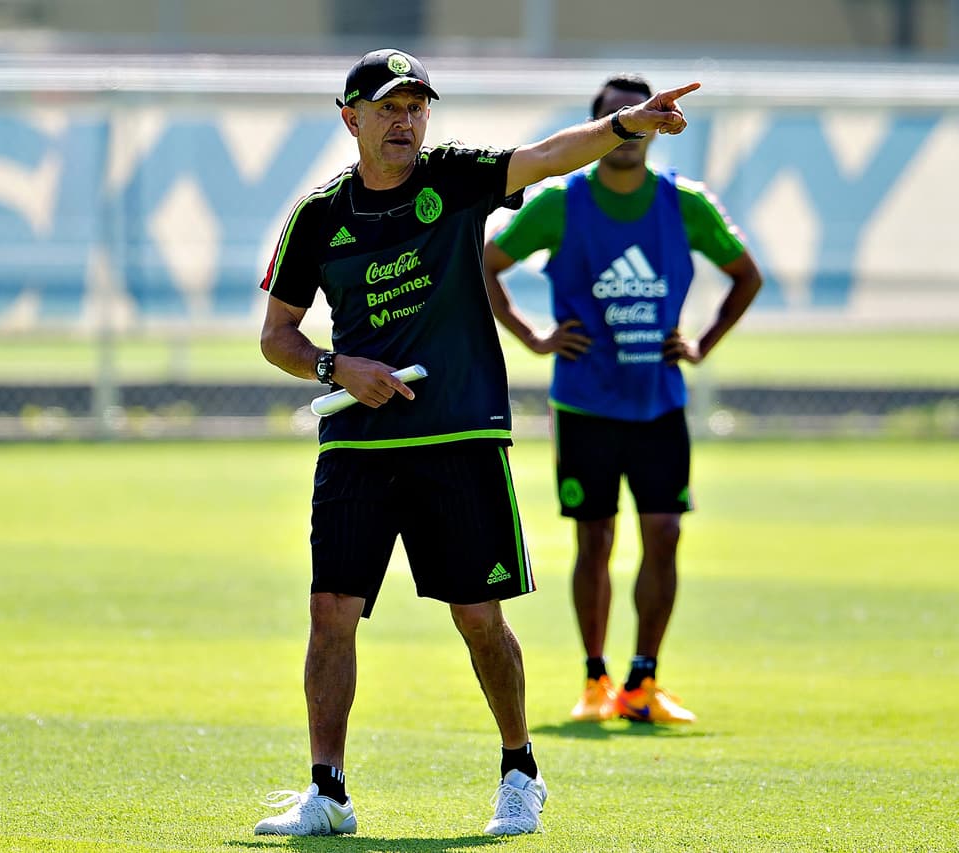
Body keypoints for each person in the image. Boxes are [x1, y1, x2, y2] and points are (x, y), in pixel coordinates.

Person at [252, 50, 699, 837]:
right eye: (390, 107)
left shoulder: (453, 178)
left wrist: (627, 122)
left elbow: (552, 154)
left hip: (459, 436)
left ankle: (520, 768)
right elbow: (277, 336)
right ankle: (328, 792)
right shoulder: (318, 217)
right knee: (331, 613)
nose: (407, 120)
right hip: (356, 445)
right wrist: (337, 366)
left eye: (418, 106)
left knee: (479, 617)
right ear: (350, 117)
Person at [483, 73, 762, 726]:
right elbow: (486, 265)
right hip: (585, 404)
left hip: (659, 402)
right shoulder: (559, 203)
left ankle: (644, 679)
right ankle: (595, 677)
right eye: (616, 116)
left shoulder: (683, 203)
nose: (629, 127)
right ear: (597, 127)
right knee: (595, 540)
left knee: (663, 534)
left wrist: (703, 343)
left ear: (656, 129)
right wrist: (533, 337)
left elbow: (746, 274)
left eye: (639, 116)